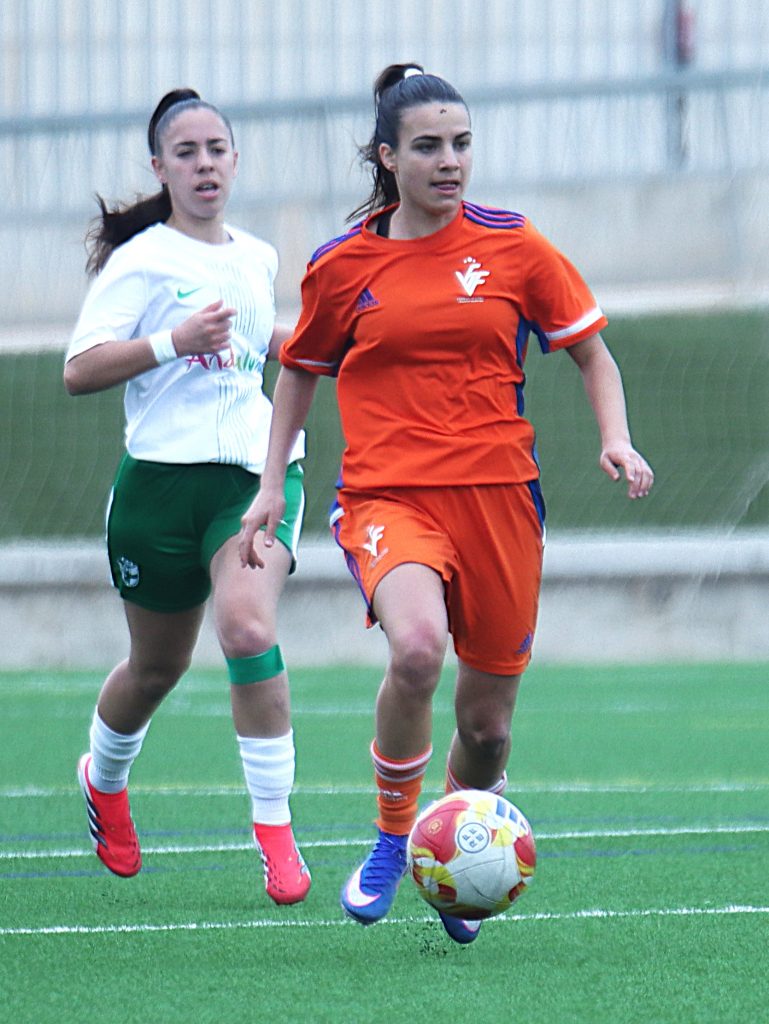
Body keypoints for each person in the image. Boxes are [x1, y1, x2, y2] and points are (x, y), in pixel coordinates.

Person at [238, 63, 654, 941]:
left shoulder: (514, 245)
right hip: (389, 496)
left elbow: (591, 353)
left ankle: (457, 851)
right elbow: (299, 374)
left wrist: (613, 437)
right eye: (427, 146)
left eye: (461, 143)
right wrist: (272, 486)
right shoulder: (343, 264)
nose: (449, 160)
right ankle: (393, 841)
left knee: (487, 729)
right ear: (387, 158)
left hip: (500, 500)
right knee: (419, 649)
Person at [64, 88, 311, 905]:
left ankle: (274, 833)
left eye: (217, 149)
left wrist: (313, 345)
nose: (204, 164)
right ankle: (103, 779)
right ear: (160, 167)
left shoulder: (259, 256)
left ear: (236, 161)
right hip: (158, 488)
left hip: (251, 476)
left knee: (246, 626)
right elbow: (78, 369)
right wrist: (172, 341)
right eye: (187, 152)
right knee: (156, 666)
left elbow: (255, 343)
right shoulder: (139, 261)